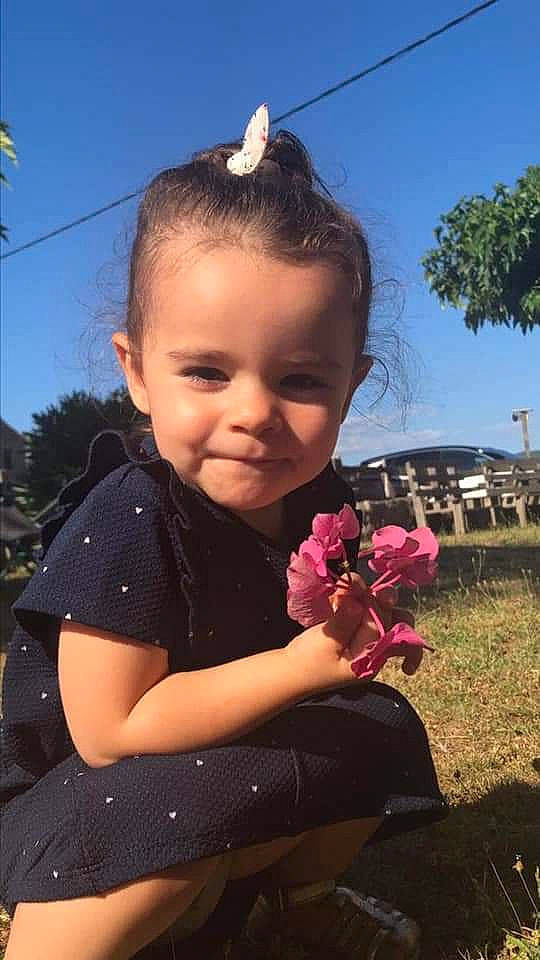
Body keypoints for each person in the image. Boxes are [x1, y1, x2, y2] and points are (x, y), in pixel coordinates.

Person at [0, 105, 448, 960]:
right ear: (136, 372)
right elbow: (112, 732)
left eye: (301, 379)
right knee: (166, 805)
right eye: (206, 371)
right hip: (85, 804)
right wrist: (294, 667)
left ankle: (284, 908)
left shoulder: (319, 498)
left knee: (374, 724)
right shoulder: (132, 514)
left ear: (351, 387)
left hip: (212, 771)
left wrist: (360, 632)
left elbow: (317, 650)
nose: (252, 413)